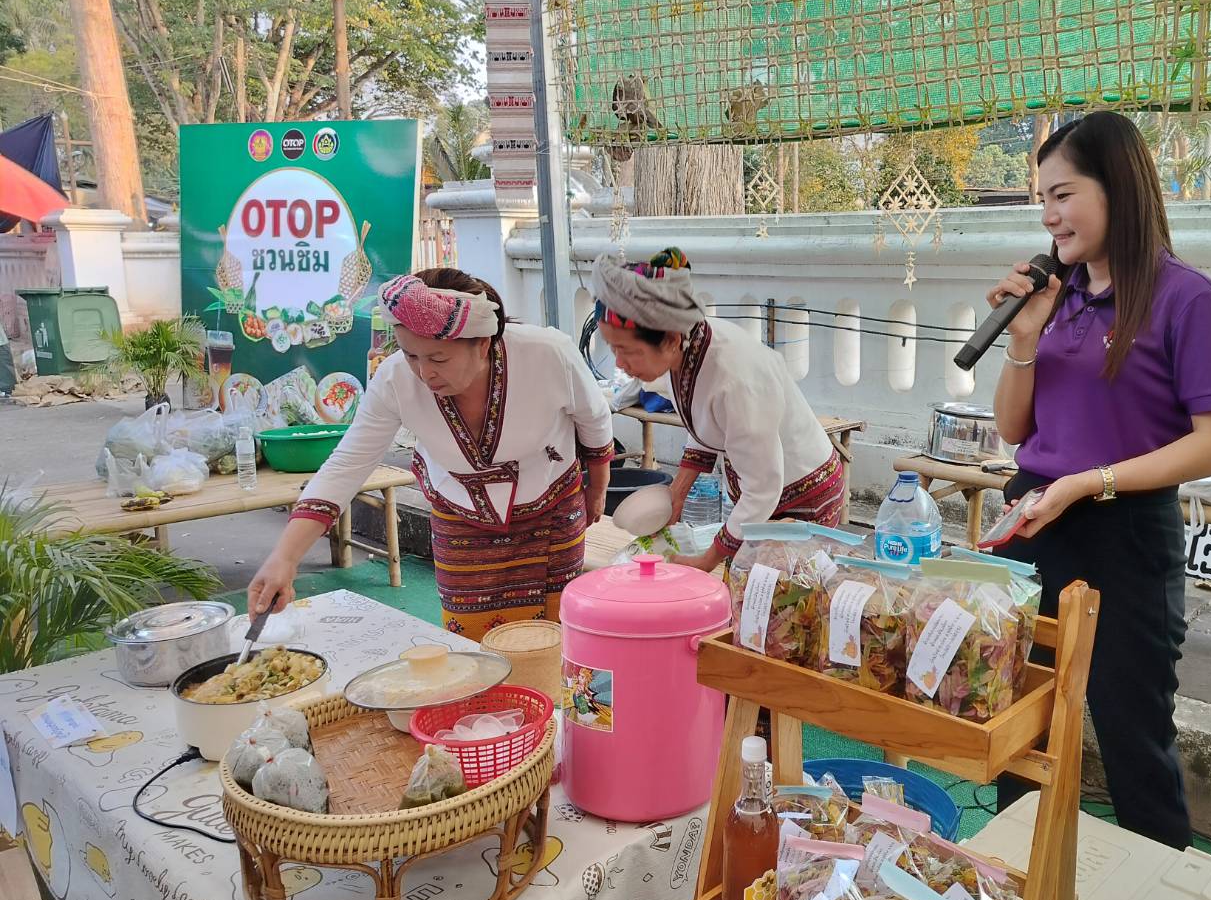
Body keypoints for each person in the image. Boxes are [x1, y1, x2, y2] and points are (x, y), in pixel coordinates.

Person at [988, 111, 1211, 850]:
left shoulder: (1189, 301)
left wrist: (1090, 482)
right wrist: (1023, 337)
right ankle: (1016, 884)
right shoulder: (1056, 294)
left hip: (1126, 535)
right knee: (1018, 718)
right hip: (1035, 520)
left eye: (1063, 193)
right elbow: (1014, 431)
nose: (1048, 215)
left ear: (1118, 189)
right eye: (1041, 198)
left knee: (1130, 731)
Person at [248, 268, 613, 640]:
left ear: (483, 344)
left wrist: (597, 488)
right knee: (469, 637)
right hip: (461, 516)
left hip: (549, 510)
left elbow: (594, 419)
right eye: (410, 355)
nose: (424, 373)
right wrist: (285, 558)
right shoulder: (393, 380)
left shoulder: (547, 354)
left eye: (438, 359)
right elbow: (347, 464)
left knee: (553, 635)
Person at [590, 248, 843, 571]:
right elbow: (705, 423)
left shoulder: (736, 377)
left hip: (803, 497)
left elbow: (762, 489)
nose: (620, 365)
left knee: (784, 607)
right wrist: (677, 492)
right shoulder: (687, 349)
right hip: (760, 494)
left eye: (627, 351)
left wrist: (707, 560)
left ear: (668, 339)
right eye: (613, 350)